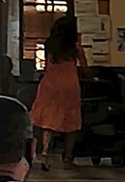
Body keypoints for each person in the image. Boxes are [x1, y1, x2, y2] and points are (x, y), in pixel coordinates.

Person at [29, 16, 87, 169]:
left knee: (48, 121)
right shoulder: (74, 47)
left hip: (50, 84)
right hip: (69, 85)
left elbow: (46, 65)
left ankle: (45, 154)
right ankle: (68, 157)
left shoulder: (49, 45)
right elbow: (85, 68)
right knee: (71, 120)